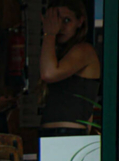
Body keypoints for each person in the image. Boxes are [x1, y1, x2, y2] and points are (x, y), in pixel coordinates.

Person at [39, 0, 100, 136]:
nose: (60, 27)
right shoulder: (58, 55)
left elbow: (49, 74)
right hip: (51, 133)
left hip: (70, 133)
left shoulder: (84, 50)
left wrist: (49, 33)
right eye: (56, 21)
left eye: (67, 20)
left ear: (80, 22)